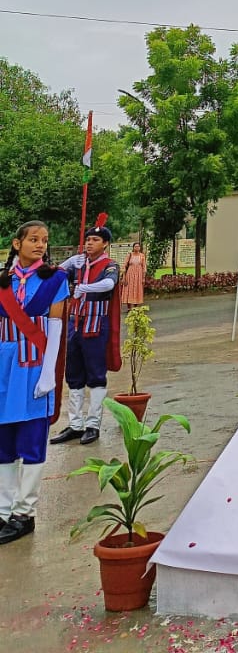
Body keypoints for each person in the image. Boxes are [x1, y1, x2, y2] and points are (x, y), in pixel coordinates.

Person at [0, 222, 70, 545]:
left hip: (33, 367)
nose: (40, 244)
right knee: (4, 443)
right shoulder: (3, 282)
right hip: (4, 368)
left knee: (30, 441)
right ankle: (3, 511)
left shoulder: (55, 280)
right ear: (17, 243)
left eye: (44, 240)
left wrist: (49, 374)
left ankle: (23, 514)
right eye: (33, 239)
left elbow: (55, 327)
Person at [50, 223, 120, 446]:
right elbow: (53, 276)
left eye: (95, 240)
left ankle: (93, 424)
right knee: (74, 376)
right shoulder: (79, 265)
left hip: (96, 326)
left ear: (105, 243)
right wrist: (69, 262)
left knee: (96, 376)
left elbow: (109, 284)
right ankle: (75, 424)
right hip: (75, 326)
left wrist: (86, 288)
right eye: (88, 239)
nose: (90, 243)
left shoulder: (110, 265)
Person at [121, 242, 146, 311]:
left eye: (138, 246)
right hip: (130, 275)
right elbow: (124, 266)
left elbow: (144, 267)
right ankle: (129, 308)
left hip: (138, 276)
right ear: (133, 247)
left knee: (137, 289)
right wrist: (124, 277)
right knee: (128, 290)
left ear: (140, 248)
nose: (137, 248)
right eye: (135, 246)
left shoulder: (142, 256)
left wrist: (143, 278)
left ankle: (135, 307)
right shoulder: (130, 255)